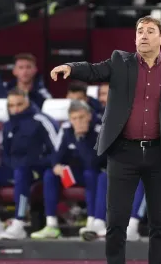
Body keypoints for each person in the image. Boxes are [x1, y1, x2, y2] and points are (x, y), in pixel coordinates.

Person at [50, 16, 161, 264]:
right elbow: (94, 70)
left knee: (160, 224)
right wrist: (71, 67)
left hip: (159, 155)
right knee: (116, 222)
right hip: (123, 152)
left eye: (150, 31)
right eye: (140, 31)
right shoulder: (120, 61)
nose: (144, 35)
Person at [0, 88, 58, 240]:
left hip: (36, 169)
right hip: (13, 168)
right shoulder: (6, 124)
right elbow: (3, 152)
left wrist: (39, 163)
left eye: (19, 105)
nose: (15, 109)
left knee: (21, 171)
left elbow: (56, 149)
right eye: (11, 105)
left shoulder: (41, 120)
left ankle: (19, 223)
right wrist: (11, 164)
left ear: (27, 102)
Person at [30, 100, 107, 240]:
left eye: (81, 117)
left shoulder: (99, 129)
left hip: (95, 172)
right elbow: (56, 154)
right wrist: (57, 166)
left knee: (90, 174)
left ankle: (91, 221)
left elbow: (93, 162)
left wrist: (80, 138)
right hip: (74, 174)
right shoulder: (66, 129)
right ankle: (51, 224)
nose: (78, 121)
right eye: (74, 118)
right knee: (50, 174)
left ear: (89, 116)